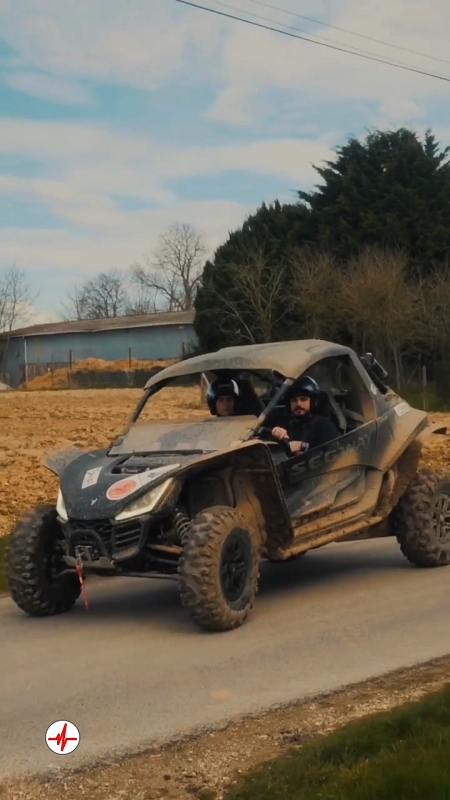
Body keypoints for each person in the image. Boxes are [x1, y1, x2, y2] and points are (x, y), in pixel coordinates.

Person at [271, 375, 340, 455]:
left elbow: (333, 453)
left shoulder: (324, 425)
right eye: (294, 400)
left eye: (303, 399)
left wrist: (303, 446)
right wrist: (275, 432)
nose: (298, 404)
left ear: (313, 402)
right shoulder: (287, 423)